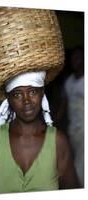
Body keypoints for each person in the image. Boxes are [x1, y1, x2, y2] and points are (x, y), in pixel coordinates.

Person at [0, 6, 80, 194]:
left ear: (42, 93)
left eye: (32, 92)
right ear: (8, 98)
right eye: (17, 94)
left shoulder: (58, 142)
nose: (26, 101)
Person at [63, 47, 84, 187]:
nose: (76, 61)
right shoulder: (69, 81)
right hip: (73, 129)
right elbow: (64, 104)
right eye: (73, 58)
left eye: (79, 57)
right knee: (76, 158)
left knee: (82, 164)